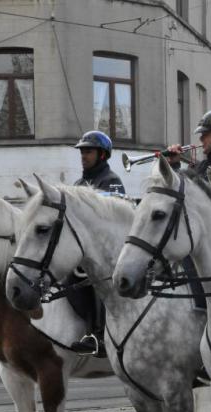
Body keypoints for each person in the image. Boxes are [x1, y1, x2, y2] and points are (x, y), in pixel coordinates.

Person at [70, 130, 125, 355]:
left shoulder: (111, 181)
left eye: (89, 151)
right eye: (82, 151)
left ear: (102, 154)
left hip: (107, 250)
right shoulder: (79, 182)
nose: (83, 155)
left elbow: (113, 215)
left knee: (96, 281)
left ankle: (99, 336)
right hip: (83, 248)